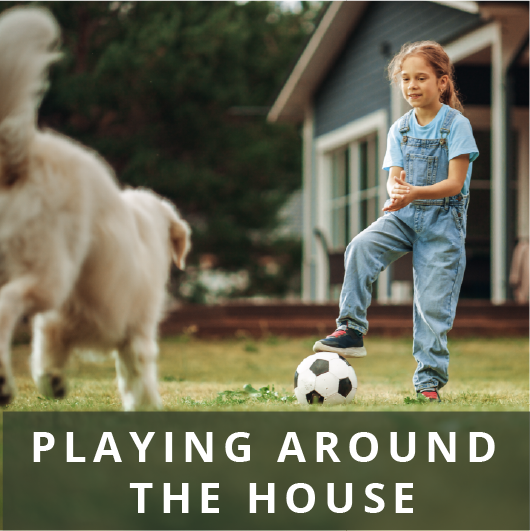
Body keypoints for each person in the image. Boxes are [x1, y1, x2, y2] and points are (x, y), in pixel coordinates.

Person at [313, 41, 479, 402]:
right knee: (360, 247)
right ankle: (351, 329)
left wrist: (413, 192)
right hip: (402, 215)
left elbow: (454, 183)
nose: (412, 86)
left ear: (443, 83)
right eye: (405, 79)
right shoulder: (400, 129)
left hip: (443, 224)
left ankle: (428, 382)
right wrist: (397, 190)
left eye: (421, 78)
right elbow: (394, 176)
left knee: (431, 307)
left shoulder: (456, 126)